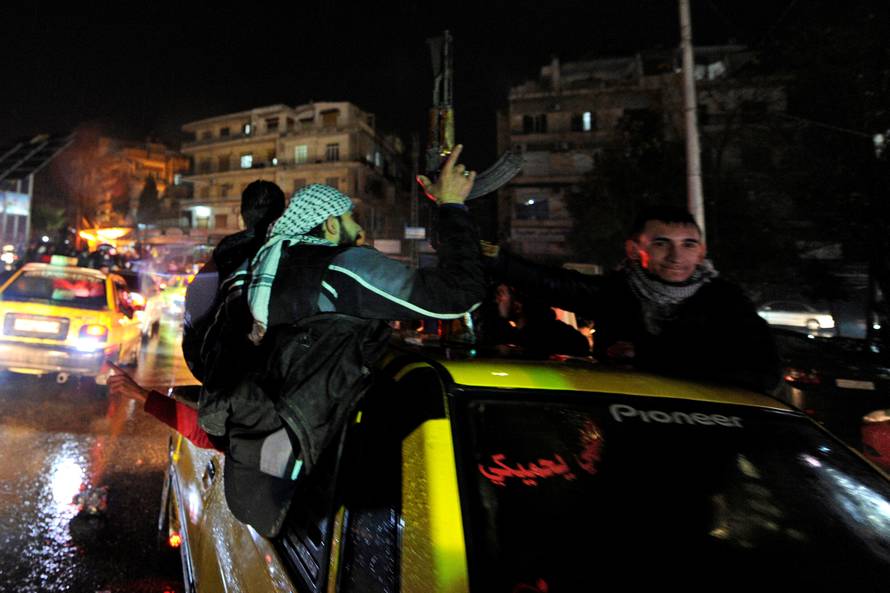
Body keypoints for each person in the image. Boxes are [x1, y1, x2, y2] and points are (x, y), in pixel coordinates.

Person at [196, 145, 486, 536]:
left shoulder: (257, 270)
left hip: (256, 481)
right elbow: (458, 294)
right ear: (330, 225)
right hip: (311, 492)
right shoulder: (342, 266)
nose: (361, 232)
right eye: (352, 219)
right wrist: (451, 205)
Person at [484, 205, 780, 392]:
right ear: (634, 250)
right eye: (661, 244)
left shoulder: (726, 301)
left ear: (701, 252)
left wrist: (652, 356)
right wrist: (485, 251)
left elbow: (763, 374)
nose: (676, 256)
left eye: (688, 245)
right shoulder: (616, 293)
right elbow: (547, 282)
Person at [181, 180, 286, 382]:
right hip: (277, 373)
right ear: (282, 213)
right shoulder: (292, 250)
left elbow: (196, 301)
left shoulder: (227, 251)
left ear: (242, 214)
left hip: (228, 370)